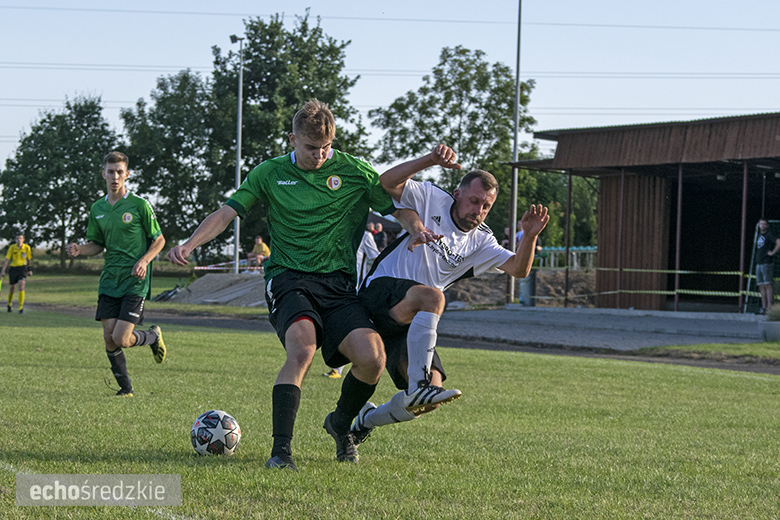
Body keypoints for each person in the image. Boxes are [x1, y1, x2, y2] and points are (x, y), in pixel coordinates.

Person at [165, 99, 459, 471]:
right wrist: (190, 244)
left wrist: (416, 228)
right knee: (302, 349)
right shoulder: (269, 173)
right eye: (310, 148)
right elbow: (227, 213)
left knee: (373, 359)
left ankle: (340, 423)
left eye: (325, 147)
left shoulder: (354, 171)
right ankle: (281, 453)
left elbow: (396, 207)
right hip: (289, 279)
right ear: (292, 139)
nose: (319, 155)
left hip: (337, 287)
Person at [350, 169, 549, 451]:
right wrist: (431, 159)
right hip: (381, 294)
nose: (478, 210)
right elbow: (386, 182)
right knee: (432, 297)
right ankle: (418, 383)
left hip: (414, 319)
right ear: (457, 195)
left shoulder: (481, 241)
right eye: (474, 201)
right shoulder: (432, 197)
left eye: (486, 206)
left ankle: (366, 420)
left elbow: (519, 268)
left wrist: (529, 235)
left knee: (432, 396)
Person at [66, 151, 168, 397]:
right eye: (110, 172)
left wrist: (144, 260)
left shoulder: (140, 205)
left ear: (127, 175)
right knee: (109, 338)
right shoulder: (98, 208)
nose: (115, 176)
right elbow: (97, 244)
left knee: (121, 338)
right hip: (109, 279)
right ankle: (126, 390)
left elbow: (160, 239)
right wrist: (81, 249)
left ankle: (152, 336)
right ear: (103, 173)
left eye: (120, 172)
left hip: (135, 280)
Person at [323, 222, 381, 380]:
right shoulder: (339, 229)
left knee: (349, 327)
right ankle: (339, 367)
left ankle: (343, 368)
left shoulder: (366, 236)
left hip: (355, 290)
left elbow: (376, 258)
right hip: (335, 285)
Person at [1, 232, 33, 314]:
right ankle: (9, 304)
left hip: (22, 269)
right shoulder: (12, 248)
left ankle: (20, 307)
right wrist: (3, 271)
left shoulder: (27, 248)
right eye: (17, 238)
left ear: (23, 239)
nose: (19, 240)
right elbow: (7, 259)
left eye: (20, 238)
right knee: (12, 288)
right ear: (15, 240)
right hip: (13, 269)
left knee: (21, 286)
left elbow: (29, 259)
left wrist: (29, 269)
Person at [756, 218, 780, 314]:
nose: (763, 226)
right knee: (761, 285)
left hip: (767, 263)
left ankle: (770, 307)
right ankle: (764, 307)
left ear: (767, 225)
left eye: (764, 224)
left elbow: (778, 242)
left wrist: (773, 252)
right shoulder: (759, 235)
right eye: (761, 224)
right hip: (759, 263)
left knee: (767, 285)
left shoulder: (769, 234)